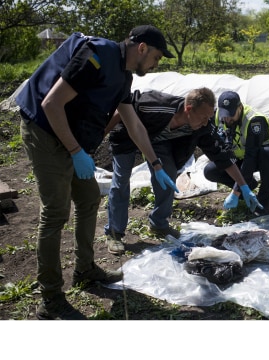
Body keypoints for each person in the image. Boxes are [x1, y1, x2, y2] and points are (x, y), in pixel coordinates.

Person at [14, 25, 177, 320]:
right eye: (156, 57)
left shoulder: (124, 76)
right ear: (141, 48)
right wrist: (76, 152)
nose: (155, 65)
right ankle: (50, 298)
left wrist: (155, 164)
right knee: (55, 212)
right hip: (43, 128)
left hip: (69, 132)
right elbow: (51, 103)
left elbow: (133, 123)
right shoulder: (98, 55)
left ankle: (85, 269)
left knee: (89, 197)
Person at [104, 87, 263, 255]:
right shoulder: (155, 105)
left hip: (156, 141)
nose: (206, 121)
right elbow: (122, 109)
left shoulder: (202, 126)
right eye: (203, 117)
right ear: (188, 110)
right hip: (127, 136)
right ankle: (114, 233)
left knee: (168, 174)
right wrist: (100, 135)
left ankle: (159, 223)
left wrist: (243, 186)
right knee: (121, 180)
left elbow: (222, 157)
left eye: (209, 117)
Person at [203, 91, 269, 212]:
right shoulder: (217, 115)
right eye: (225, 114)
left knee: (268, 154)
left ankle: (264, 198)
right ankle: (248, 187)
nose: (227, 118)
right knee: (210, 171)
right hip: (239, 155)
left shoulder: (254, 120)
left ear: (240, 107)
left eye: (231, 114)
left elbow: (251, 156)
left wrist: (235, 191)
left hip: (259, 156)